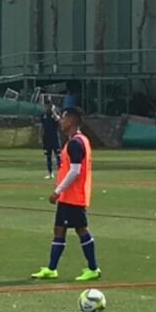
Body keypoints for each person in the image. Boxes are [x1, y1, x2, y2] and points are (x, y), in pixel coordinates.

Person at [31, 107, 101, 281]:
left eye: (63, 118)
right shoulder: (78, 141)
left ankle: (93, 268)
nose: (61, 121)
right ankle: (52, 268)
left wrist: (57, 191)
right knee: (60, 229)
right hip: (70, 196)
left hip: (73, 196)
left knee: (80, 229)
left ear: (71, 120)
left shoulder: (76, 143)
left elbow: (75, 171)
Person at [39, 101, 62, 180]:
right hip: (47, 138)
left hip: (55, 137)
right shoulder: (43, 115)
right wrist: (41, 138)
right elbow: (42, 127)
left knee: (58, 155)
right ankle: (50, 173)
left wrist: (54, 112)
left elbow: (58, 120)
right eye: (46, 106)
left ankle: (61, 173)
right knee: (48, 156)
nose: (47, 108)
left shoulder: (55, 113)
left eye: (49, 106)